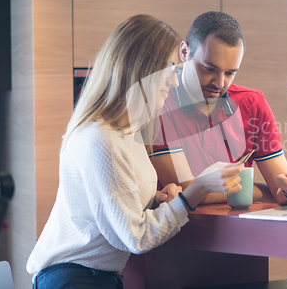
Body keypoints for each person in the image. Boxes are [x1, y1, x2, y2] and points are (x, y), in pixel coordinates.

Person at [26, 14, 243, 289]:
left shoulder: (129, 132)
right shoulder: (99, 139)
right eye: (168, 69)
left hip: (97, 278)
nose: (174, 82)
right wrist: (195, 191)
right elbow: (135, 237)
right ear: (140, 70)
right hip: (73, 279)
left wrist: (156, 199)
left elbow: (116, 205)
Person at [150, 11, 287, 205]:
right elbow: (187, 193)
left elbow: (282, 191)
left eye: (230, 73)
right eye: (209, 69)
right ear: (185, 52)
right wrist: (263, 192)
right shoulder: (159, 104)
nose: (219, 82)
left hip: (240, 229)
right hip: (181, 232)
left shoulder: (253, 104)